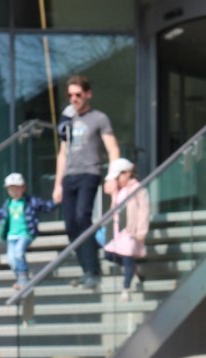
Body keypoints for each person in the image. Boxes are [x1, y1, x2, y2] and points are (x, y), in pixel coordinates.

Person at [52, 75, 120, 289]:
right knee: (71, 225)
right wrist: (57, 184)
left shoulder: (99, 118)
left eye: (78, 94)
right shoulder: (67, 122)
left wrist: (112, 177)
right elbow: (62, 154)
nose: (74, 99)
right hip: (69, 177)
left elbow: (113, 149)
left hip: (89, 173)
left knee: (83, 217)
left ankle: (94, 270)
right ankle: (86, 270)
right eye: (70, 95)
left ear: (88, 94)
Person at [0, 173, 56, 289]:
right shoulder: (8, 204)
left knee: (19, 253)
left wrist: (56, 202)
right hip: (11, 236)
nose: (14, 192)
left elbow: (45, 206)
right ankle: (20, 278)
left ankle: (23, 278)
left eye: (16, 189)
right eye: (11, 189)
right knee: (11, 260)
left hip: (25, 233)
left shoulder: (30, 201)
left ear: (23, 188)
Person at [102, 158, 149, 302]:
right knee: (108, 254)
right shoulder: (119, 190)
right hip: (117, 231)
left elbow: (144, 210)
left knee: (128, 258)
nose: (118, 180)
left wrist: (141, 230)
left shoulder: (137, 188)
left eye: (119, 176)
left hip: (130, 231)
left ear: (127, 173)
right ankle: (135, 270)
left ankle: (126, 288)